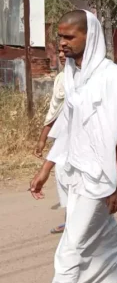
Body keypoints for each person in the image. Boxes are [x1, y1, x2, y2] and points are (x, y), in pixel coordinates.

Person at [2, 10, 117, 283]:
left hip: (100, 180)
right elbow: (67, 127)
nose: (62, 44)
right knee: (109, 240)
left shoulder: (113, 78)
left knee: (69, 252)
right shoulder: (72, 75)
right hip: (75, 174)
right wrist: (46, 168)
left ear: (90, 37)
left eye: (69, 37)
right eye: (60, 38)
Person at [34, 51, 68, 235]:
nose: (62, 55)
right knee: (63, 176)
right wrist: (42, 139)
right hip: (62, 137)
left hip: (84, 140)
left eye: (65, 52)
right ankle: (69, 220)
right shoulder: (61, 78)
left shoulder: (89, 78)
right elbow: (54, 110)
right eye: (59, 52)